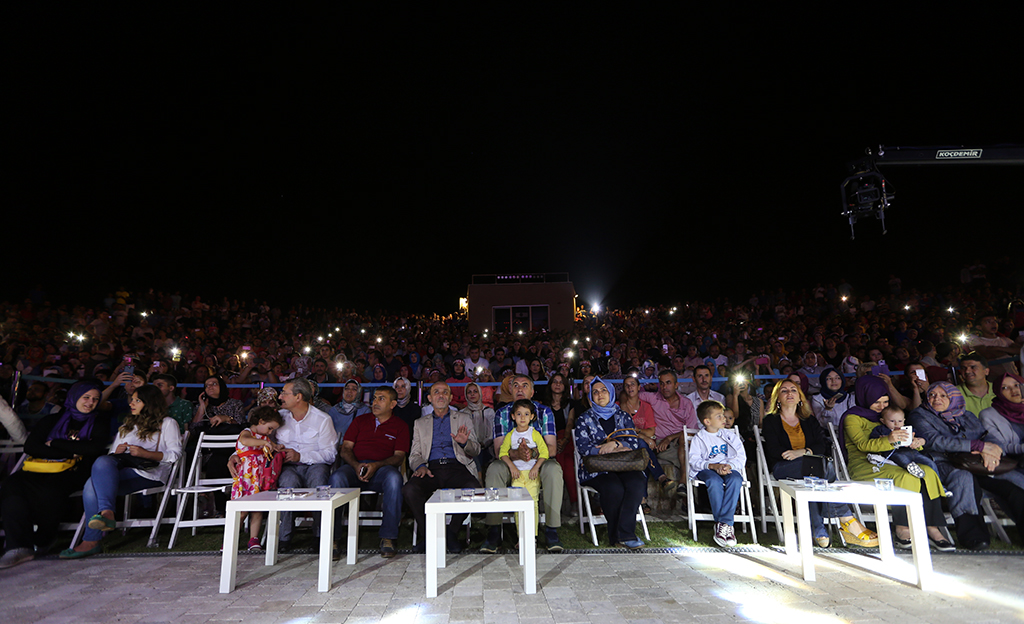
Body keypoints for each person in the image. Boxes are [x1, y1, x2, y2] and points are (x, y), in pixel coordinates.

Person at [60, 384, 182, 558]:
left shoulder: (168, 423)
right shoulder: (128, 424)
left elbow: (175, 455)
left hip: (149, 473)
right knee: (102, 462)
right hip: (123, 468)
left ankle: (92, 540)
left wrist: (145, 453)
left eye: (137, 400)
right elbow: (111, 457)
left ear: (149, 403)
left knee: (91, 485)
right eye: (132, 400)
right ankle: (106, 514)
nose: (131, 403)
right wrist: (117, 452)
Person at [0, 382, 111, 569]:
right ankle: (18, 546)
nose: (90, 402)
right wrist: (70, 452)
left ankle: (44, 538)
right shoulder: (52, 420)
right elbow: (31, 447)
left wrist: (55, 443)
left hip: (74, 471)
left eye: (95, 399)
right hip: (39, 468)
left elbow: (93, 448)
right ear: (74, 397)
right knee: (12, 485)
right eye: (86, 397)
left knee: (51, 488)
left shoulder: (98, 423)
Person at [762, 380, 877, 548]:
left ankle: (819, 530)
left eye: (793, 390)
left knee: (815, 478)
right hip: (783, 467)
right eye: (784, 391)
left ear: (800, 397)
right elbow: (773, 449)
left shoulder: (809, 420)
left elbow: (821, 445)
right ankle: (847, 519)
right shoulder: (770, 421)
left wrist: (803, 452)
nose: (789, 393)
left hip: (811, 468)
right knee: (823, 467)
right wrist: (799, 455)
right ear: (777, 398)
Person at [909, 382, 1024, 549]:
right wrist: (978, 446)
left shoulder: (966, 415)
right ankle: (974, 536)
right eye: (932, 395)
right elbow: (934, 441)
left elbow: (986, 436)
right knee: (963, 479)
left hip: (976, 463)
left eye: (943, 395)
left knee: (1013, 483)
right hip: (945, 463)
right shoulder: (920, 415)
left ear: (953, 397)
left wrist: (993, 450)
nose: (936, 399)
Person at [842, 375, 949, 550]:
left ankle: (932, 526)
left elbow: (906, 439)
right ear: (864, 396)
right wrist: (890, 440)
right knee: (907, 477)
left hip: (895, 460)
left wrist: (916, 442)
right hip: (866, 464)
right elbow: (863, 445)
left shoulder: (891, 415)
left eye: (885, 401)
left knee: (928, 472)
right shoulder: (853, 418)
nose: (882, 407)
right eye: (877, 402)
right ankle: (902, 527)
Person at [481, 374, 564, 553]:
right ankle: (494, 531)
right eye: (515, 385)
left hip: (538, 463)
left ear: (532, 392)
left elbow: (551, 449)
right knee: (494, 469)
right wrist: (517, 454)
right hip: (510, 464)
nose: (520, 389)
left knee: (553, 469)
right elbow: (498, 451)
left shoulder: (544, 412)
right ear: (510, 391)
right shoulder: (503, 413)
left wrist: (530, 453)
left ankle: (551, 530)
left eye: (525, 385)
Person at [330, 386, 410, 559]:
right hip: (355, 467)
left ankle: (388, 537)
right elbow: (346, 448)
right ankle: (333, 539)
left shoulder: (400, 426)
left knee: (394, 479)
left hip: (382, 470)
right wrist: (356, 465)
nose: (375, 402)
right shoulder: (360, 421)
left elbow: (399, 457)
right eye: (374, 398)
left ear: (392, 404)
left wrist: (376, 465)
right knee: (337, 478)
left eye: (381, 398)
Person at [402, 381, 480, 553]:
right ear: (429, 398)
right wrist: (420, 466)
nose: (441, 395)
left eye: (445, 392)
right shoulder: (420, 423)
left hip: (457, 466)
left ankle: (451, 532)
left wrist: (464, 443)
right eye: (436, 392)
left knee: (473, 488)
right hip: (431, 469)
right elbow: (414, 454)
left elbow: (476, 450)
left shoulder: (463, 418)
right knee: (409, 489)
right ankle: (429, 534)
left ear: (451, 397)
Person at [574, 378, 647, 549]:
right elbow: (583, 448)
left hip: (623, 465)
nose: (599, 394)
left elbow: (634, 442)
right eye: (595, 392)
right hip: (595, 469)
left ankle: (624, 534)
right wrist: (606, 450)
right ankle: (619, 536)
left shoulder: (623, 416)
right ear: (590, 397)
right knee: (613, 487)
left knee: (637, 481)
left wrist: (615, 444)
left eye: (603, 390)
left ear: (611, 393)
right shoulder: (584, 418)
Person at [688, 401, 745, 547]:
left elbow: (740, 456)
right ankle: (726, 524)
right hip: (707, 469)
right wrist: (713, 466)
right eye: (719, 416)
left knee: (736, 480)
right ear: (707, 421)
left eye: (723, 415)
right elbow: (694, 460)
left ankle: (722, 524)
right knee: (714, 482)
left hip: (728, 468)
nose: (724, 418)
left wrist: (729, 466)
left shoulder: (730, 435)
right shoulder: (700, 438)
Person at [232, 406, 285, 551]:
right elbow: (245, 441)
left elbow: (273, 447)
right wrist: (264, 443)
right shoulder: (248, 433)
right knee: (242, 511)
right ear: (261, 421)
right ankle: (231, 538)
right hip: (246, 477)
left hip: (259, 477)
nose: (270, 432)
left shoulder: (265, 439)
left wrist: (277, 447)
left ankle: (254, 539)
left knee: (257, 508)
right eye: (269, 428)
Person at [639, 370, 698, 488]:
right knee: (687, 459)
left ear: (676, 385)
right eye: (661, 383)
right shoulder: (653, 398)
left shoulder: (686, 403)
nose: (664, 387)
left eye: (668, 383)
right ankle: (684, 487)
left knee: (688, 447)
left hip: (681, 441)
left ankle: (684, 485)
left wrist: (670, 438)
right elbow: (630, 395)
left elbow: (691, 430)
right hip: (661, 444)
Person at [498, 399, 548, 537]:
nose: (522, 417)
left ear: (532, 417)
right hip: (517, 476)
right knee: (518, 505)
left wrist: (536, 467)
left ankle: (532, 536)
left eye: (526, 414)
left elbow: (544, 452)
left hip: (532, 476)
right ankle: (521, 536)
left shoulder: (534, 433)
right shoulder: (511, 435)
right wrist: (512, 467)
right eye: (519, 414)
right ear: (513, 416)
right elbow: (502, 453)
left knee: (533, 504)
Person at [867, 405, 940, 478]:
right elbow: (873, 440)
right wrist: (884, 439)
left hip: (912, 452)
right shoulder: (881, 429)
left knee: (930, 463)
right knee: (902, 459)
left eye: (900, 421)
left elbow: (924, 438)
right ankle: (911, 467)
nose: (897, 424)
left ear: (904, 420)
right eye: (892, 421)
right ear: (883, 421)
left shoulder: (908, 429)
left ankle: (938, 482)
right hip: (895, 452)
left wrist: (920, 441)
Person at [978, 373, 1024, 465]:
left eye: (1016, 385)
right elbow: (998, 447)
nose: (1013, 390)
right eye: (1005, 388)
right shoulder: (988, 415)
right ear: (998, 392)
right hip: (1011, 462)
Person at [460, 381, 495, 478]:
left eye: (475, 391)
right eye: (469, 392)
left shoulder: (489, 412)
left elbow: (492, 433)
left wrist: (483, 443)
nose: (472, 394)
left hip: (486, 448)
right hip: (468, 448)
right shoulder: (462, 413)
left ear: (480, 393)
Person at [957, 353, 997, 417]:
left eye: (973, 367)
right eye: (963, 368)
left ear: (986, 371)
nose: (967, 371)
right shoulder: (954, 394)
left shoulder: (999, 390)